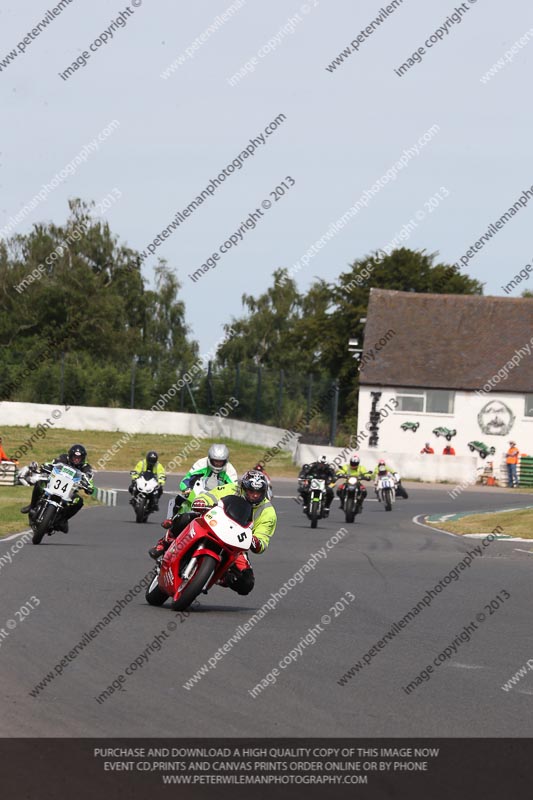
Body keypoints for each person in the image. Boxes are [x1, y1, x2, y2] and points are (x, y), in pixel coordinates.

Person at [148, 469, 276, 596]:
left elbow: (263, 538)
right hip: (214, 523)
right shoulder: (232, 488)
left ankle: (223, 576)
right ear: (243, 488)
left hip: (235, 543)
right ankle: (164, 543)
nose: (254, 495)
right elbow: (211, 495)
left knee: (247, 583)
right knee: (187, 517)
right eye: (251, 491)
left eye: (258, 492)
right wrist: (202, 501)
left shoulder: (268, 512)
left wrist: (257, 542)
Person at [20, 444, 94, 533]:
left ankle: (63, 520)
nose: (77, 460)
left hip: (69, 492)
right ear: (70, 456)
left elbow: (89, 479)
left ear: (83, 458)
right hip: (53, 484)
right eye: (75, 457)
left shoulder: (86, 467)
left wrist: (89, 486)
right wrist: (46, 466)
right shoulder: (63, 458)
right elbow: (53, 463)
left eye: (79, 458)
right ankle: (32, 505)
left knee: (78, 501)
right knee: (40, 484)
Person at [173, 443, 237, 514]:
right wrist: (187, 488)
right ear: (209, 458)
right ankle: (173, 518)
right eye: (215, 461)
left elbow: (234, 489)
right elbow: (187, 479)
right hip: (197, 495)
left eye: (220, 462)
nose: (217, 464)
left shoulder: (230, 470)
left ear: (226, 460)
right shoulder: (201, 463)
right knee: (180, 499)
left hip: (217, 501)